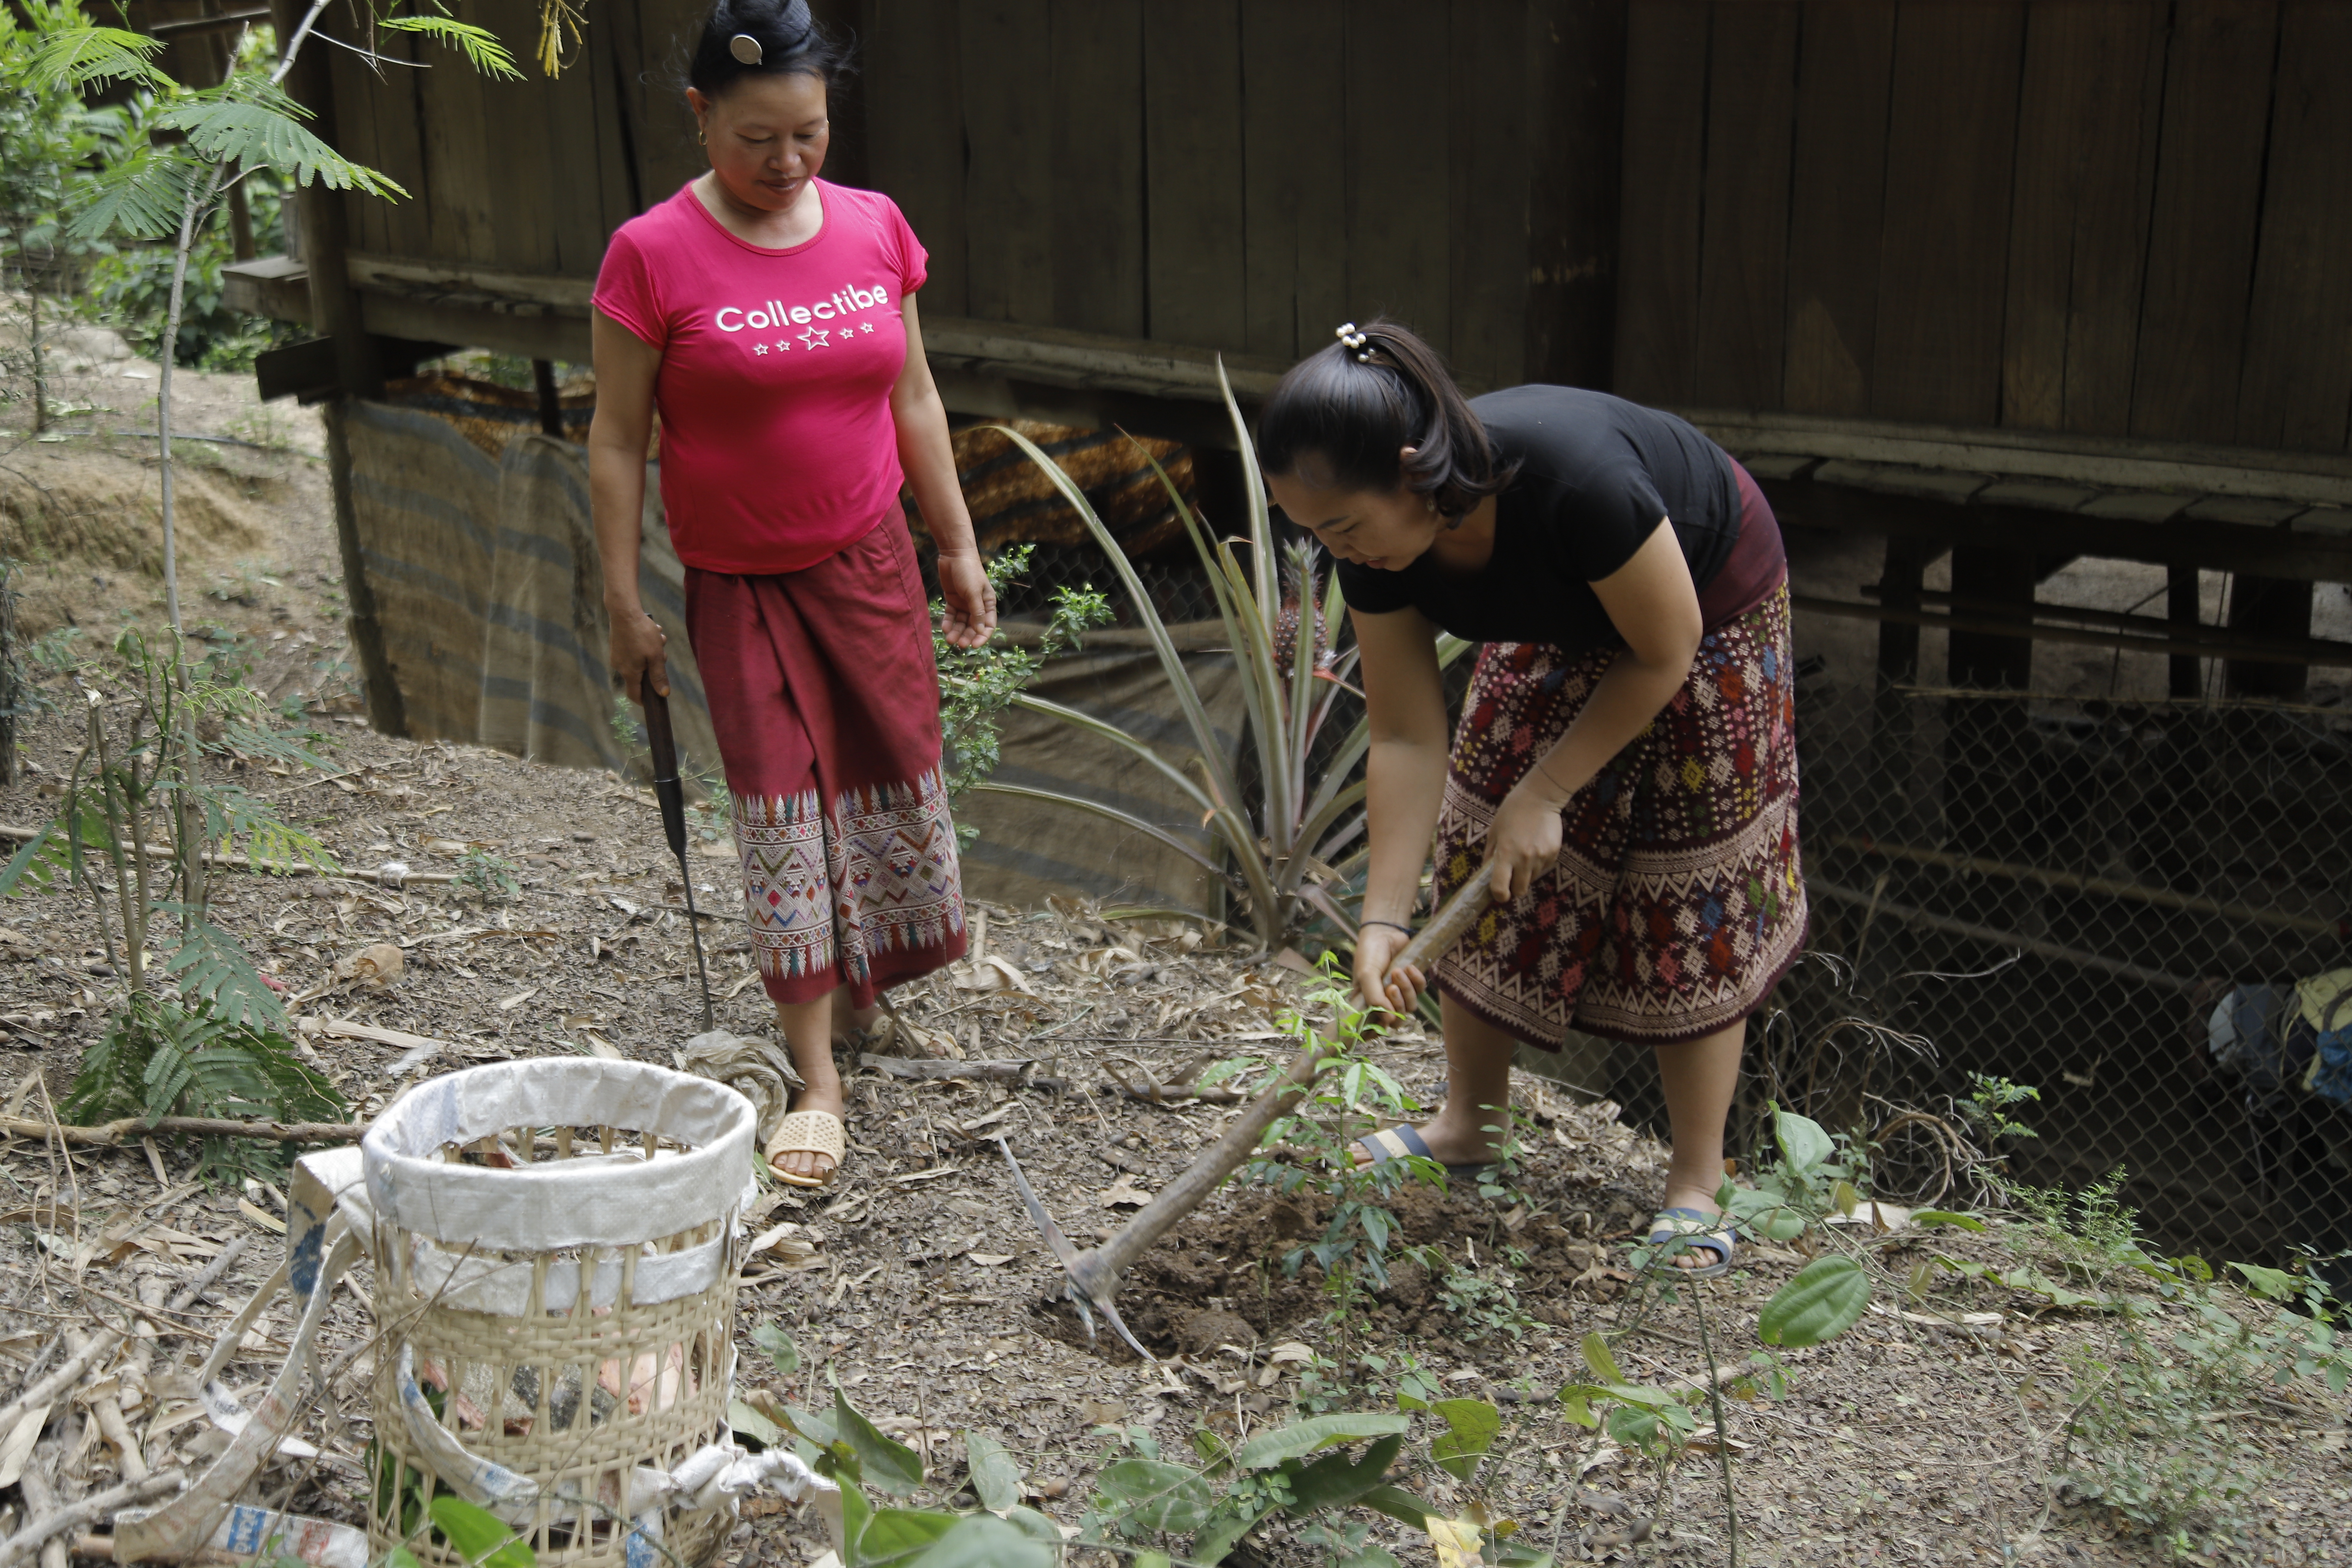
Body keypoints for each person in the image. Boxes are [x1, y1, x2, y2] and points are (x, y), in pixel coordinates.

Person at [1258, 320, 1807, 1276]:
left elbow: (1663, 649)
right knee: (1481, 828)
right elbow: (1405, 732)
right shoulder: (1375, 546)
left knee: (1686, 876)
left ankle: (1696, 1179)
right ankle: (1469, 1125)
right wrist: (1383, 917)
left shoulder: (1573, 482)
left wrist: (1550, 789)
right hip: (1559, 610)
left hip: (1700, 608)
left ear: (1410, 471)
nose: (1331, 550)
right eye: (1309, 530)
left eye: (1340, 527)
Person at [589, 0, 992, 1188]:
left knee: (881, 767)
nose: (785, 162)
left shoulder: (875, 227)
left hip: (869, 563)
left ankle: (860, 987)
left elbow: (913, 396)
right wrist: (624, 603)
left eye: (808, 134)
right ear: (701, 115)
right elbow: (617, 441)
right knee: (779, 800)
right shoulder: (652, 252)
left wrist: (954, 541)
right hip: (739, 581)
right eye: (755, 137)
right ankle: (816, 1067)